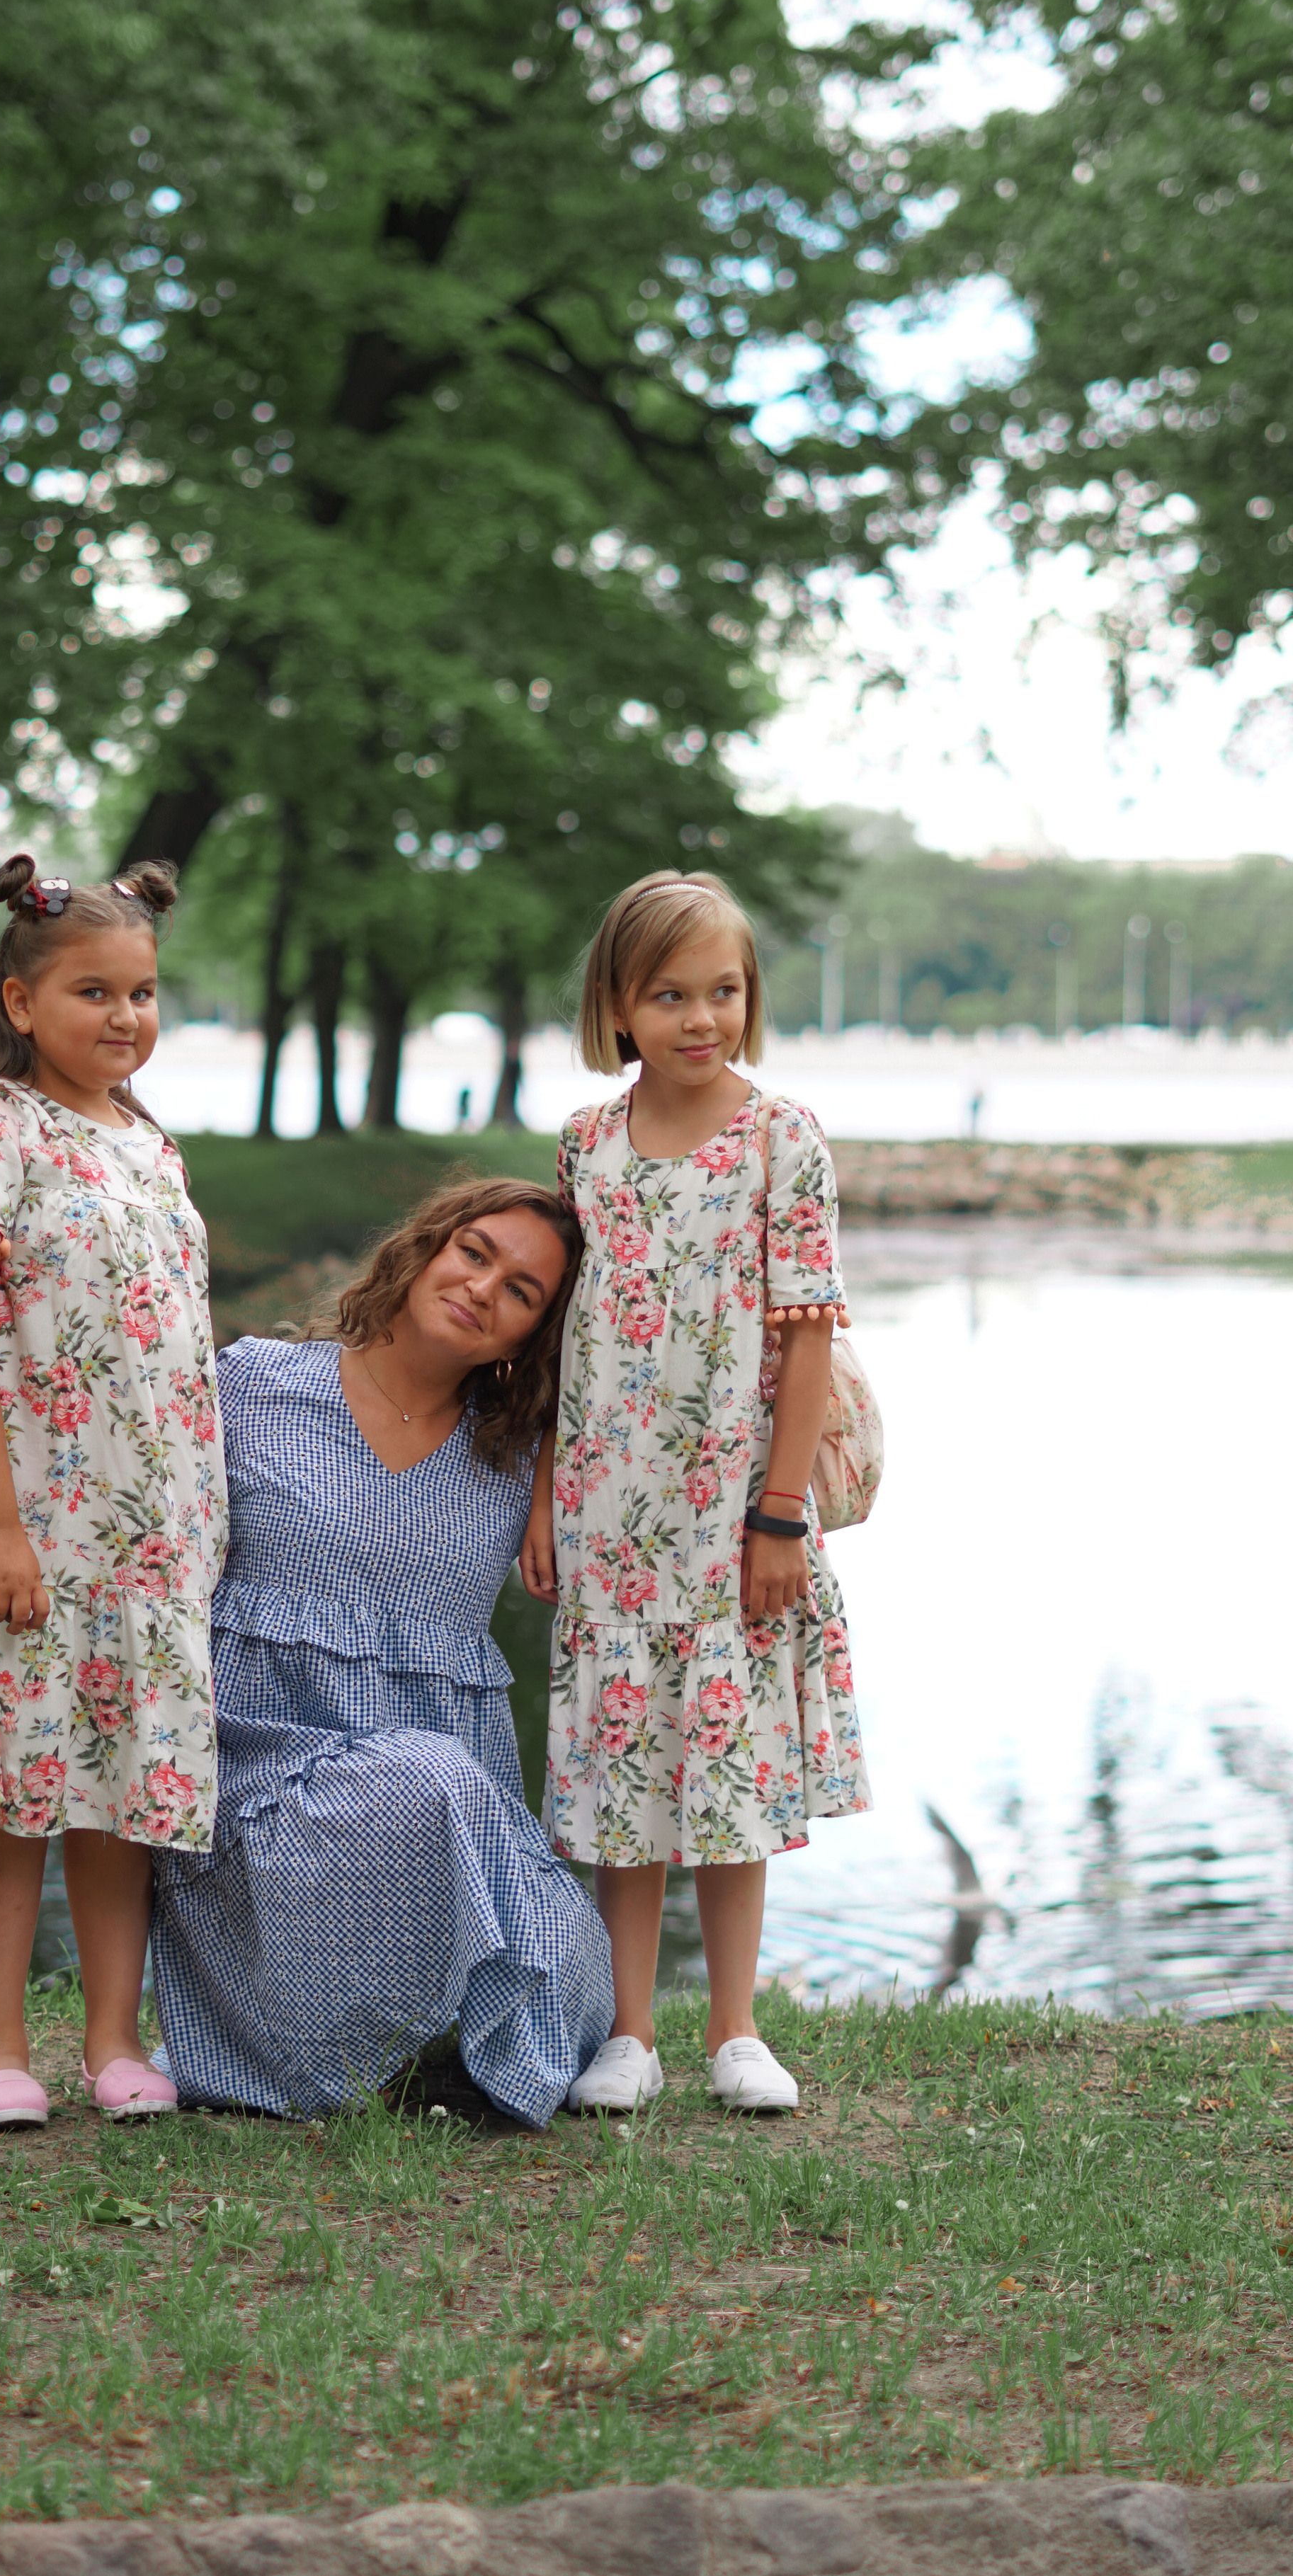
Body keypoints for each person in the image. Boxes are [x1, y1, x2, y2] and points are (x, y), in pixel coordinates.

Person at [0, 852, 224, 2131]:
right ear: (23, 1004)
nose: (125, 1018)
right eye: (94, 992)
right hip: (28, 1524)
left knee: (122, 1788)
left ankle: (115, 2042)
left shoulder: (148, 1143)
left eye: (142, 992)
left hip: (150, 1536)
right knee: (13, 1785)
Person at [151, 1179, 615, 2126]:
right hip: (258, 1802)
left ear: (537, 1336)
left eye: (523, 1292)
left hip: (445, 1827)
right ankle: (327, 2052)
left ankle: (428, 2067)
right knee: (424, 1778)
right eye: (475, 1254)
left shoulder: (526, 1457)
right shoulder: (255, 1384)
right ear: (424, 1249)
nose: (485, 1288)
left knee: (584, 1967)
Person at [522, 871, 870, 2115]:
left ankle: (734, 2028)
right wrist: (547, 1487)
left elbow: (808, 1332)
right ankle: (629, 2035)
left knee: (723, 1767)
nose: (699, 1017)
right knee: (626, 1775)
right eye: (669, 994)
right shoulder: (586, 1144)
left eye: (722, 990)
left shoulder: (783, 1137)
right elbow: (567, 1332)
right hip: (612, 1509)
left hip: (733, 1506)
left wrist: (782, 1510)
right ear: (618, 1004)